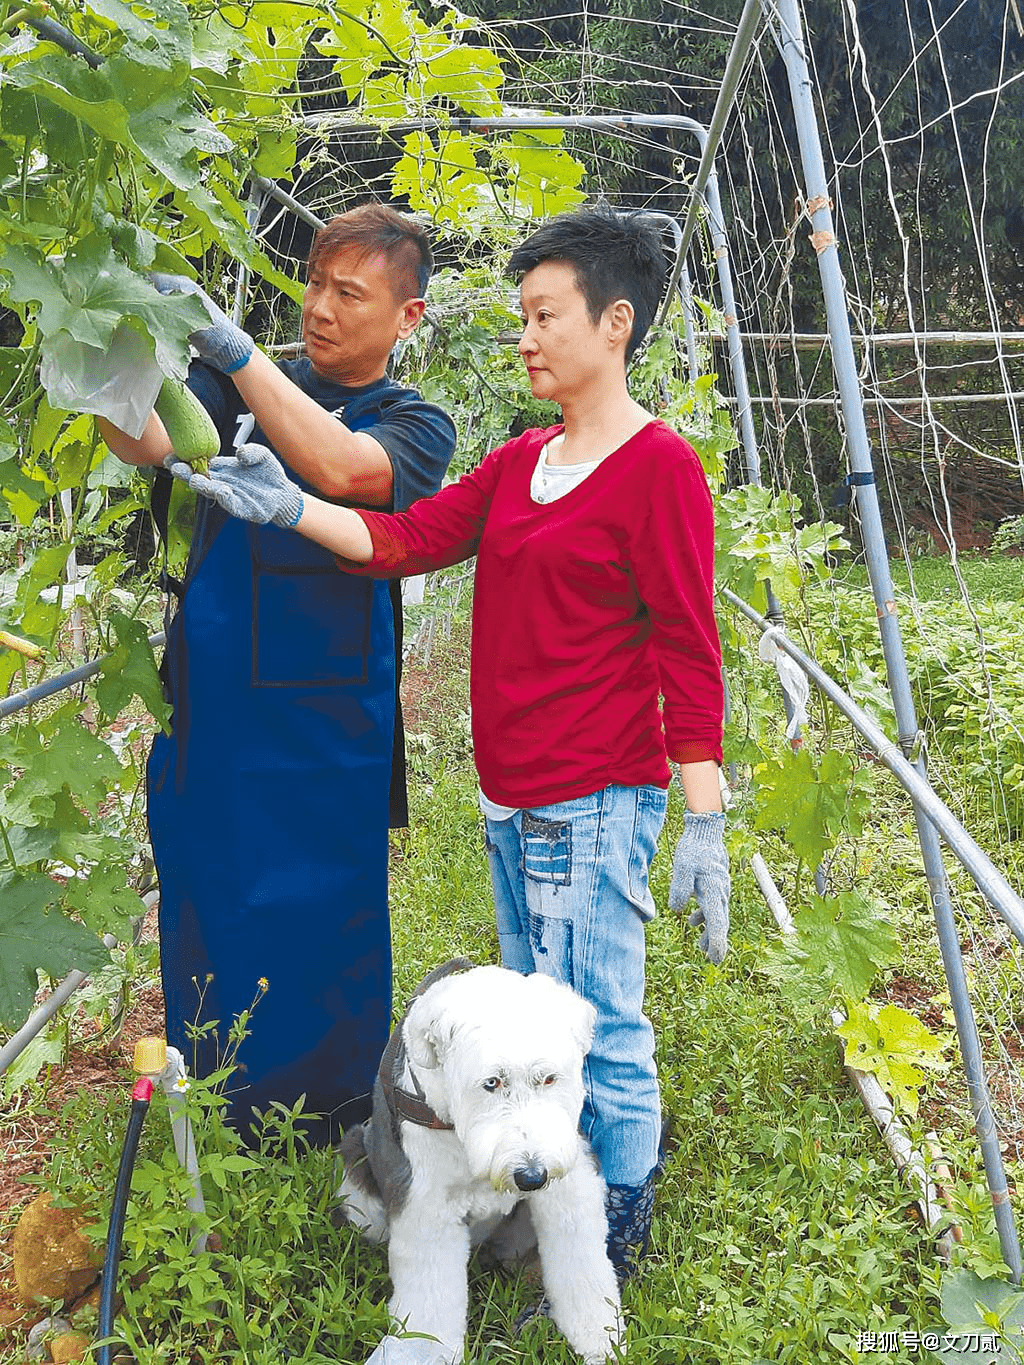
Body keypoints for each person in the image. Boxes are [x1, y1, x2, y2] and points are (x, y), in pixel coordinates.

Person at [165, 204, 730, 1281]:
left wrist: (700, 811)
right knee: (535, 1032)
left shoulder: (657, 467)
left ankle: (613, 1233)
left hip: (595, 792)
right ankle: (550, 1212)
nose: (525, 337)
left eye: (544, 316)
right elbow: (402, 540)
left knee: (599, 1029)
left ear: (614, 325)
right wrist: (289, 513)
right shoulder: (523, 463)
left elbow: (689, 649)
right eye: (522, 315)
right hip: (514, 796)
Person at [99, 204, 456, 1147]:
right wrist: (107, 342)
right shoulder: (236, 389)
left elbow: (341, 470)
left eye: (351, 292)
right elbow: (142, 443)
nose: (322, 308)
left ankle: (334, 1110)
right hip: (217, 702)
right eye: (314, 283)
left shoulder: (416, 422)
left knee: (323, 910)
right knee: (213, 889)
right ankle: (217, 1097)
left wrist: (232, 347)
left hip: (330, 726)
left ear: (408, 319)